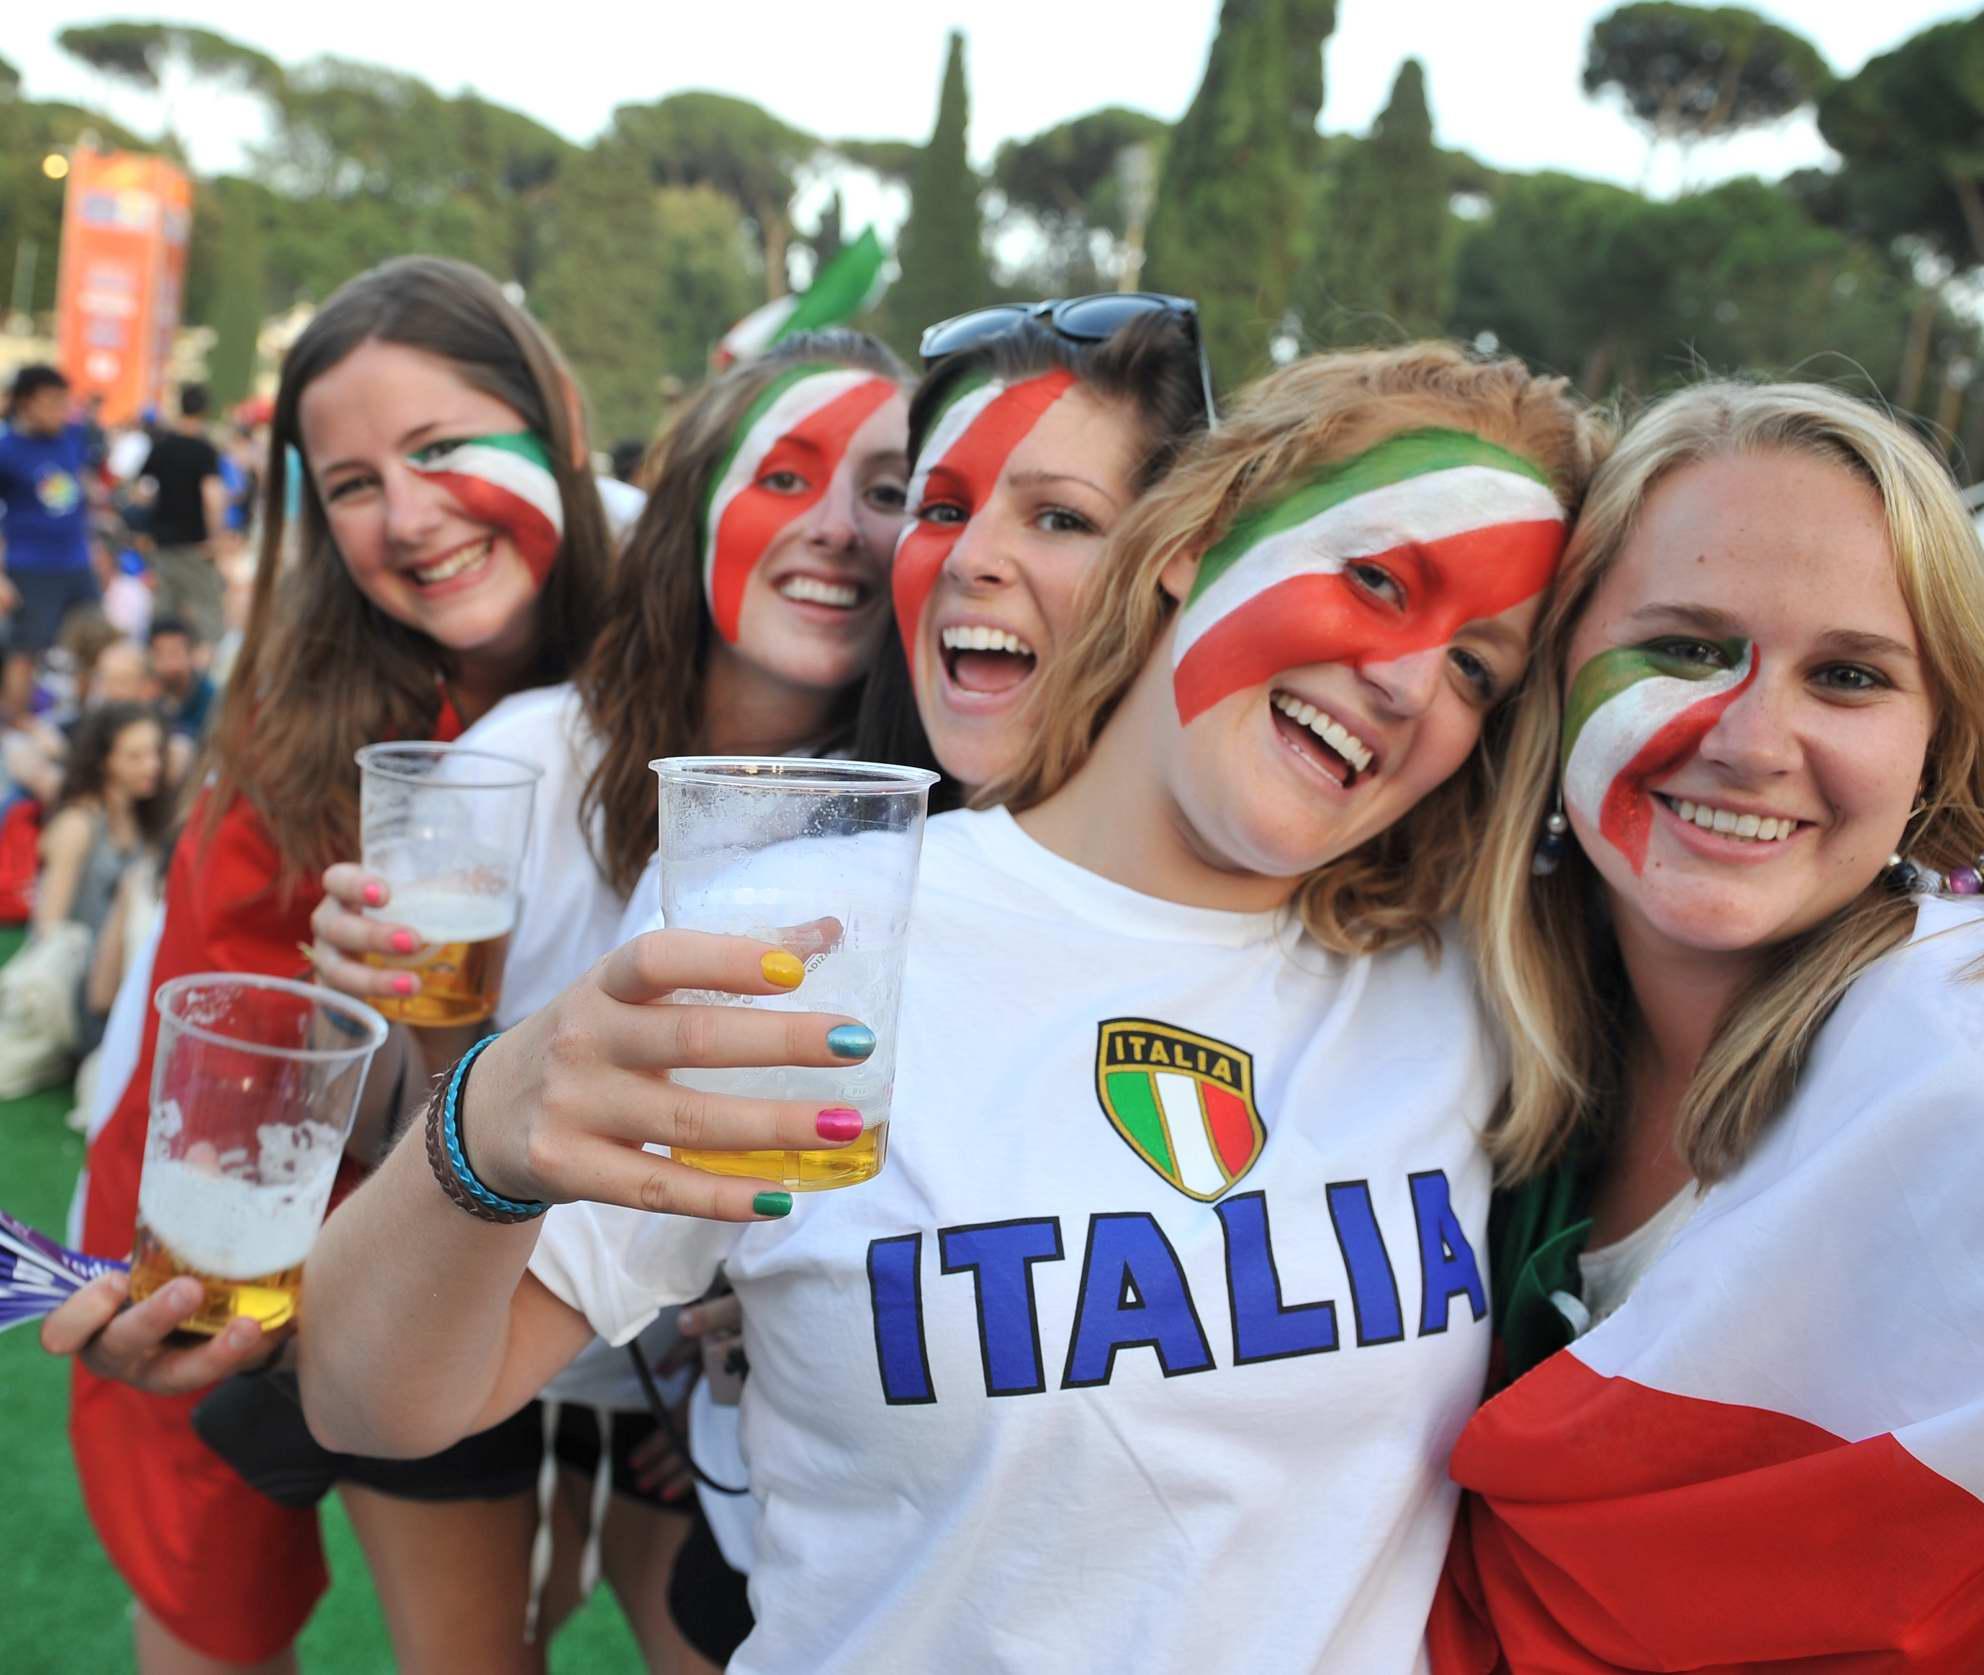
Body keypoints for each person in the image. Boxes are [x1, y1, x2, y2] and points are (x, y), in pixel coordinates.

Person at [297, 341, 1605, 1672]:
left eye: (1476, 668)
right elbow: (369, 1399)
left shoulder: (1474, 986)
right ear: (1192, 542)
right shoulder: (812, 927)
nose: (1408, 680)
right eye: (1377, 579)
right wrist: (480, 1131)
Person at [1431, 381, 1984, 1670]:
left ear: (1936, 739)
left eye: (1849, 677)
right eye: (1687, 649)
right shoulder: (1441, 992)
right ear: (1552, 672)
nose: (1752, 741)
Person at [304, 327, 916, 1673]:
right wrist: (385, 1000)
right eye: (785, 476)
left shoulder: (910, 842)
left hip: (672, 1379)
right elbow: (386, 1140)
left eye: (886, 490)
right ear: (693, 509)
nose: (835, 527)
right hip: (459, 1316)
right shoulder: (525, 756)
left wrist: (736, 1345)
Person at [42, 254, 613, 1675]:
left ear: (554, 425)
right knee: (214, 1617)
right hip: (309, 1250)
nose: (407, 516)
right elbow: (213, 1102)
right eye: (352, 482)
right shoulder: (298, 735)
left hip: (582, 1270)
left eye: (442, 446)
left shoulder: (665, 638)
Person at [854, 295, 1215, 796]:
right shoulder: (806, 837)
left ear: (1182, 558)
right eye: (943, 512)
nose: (968, 559)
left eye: (1060, 519)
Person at [30, 701, 168, 1048]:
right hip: (79, 993)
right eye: (135, 756)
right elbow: (48, 928)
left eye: (155, 752)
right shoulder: (78, 824)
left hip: (122, 979)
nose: (152, 765)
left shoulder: (144, 825)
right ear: (104, 761)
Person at [0, 366, 101, 726]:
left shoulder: (73, 437)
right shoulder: (7, 449)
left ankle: (84, 725)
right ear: (27, 403)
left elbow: (80, 489)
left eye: (64, 401)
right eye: (52, 402)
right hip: (30, 565)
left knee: (94, 644)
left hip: (77, 561)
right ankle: (16, 728)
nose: (61, 410)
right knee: (26, 649)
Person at [134, 383, 230, 643]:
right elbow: (212, 496)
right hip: (194, 543)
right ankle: (209, 662)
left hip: (162, 543)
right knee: (207, 609)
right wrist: (215, 537)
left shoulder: (162, 446)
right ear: (205, 410)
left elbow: (142, 492)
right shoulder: (204, 450)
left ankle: (157, 658)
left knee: (164, 609)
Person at [146, 614, 215, 742]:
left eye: (175, 653)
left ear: (191, 654)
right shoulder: (148, 696)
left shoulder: (212, 698)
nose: (168, 663)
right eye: (160, 654)